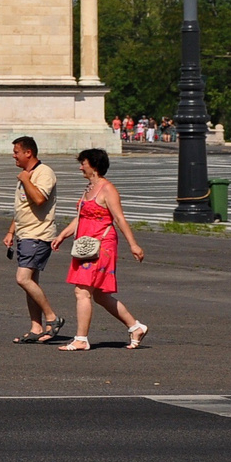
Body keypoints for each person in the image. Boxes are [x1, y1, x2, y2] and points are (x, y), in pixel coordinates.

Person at [52, 148, 149, 351]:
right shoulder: (89, 188)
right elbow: (81, 217)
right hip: (86, 245)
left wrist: (133, 244)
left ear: (94, 165)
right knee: (100, 295)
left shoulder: (107, 189)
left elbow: (119, 218)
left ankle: (81, 339)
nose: (80, 167)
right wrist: (62, 235)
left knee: (82, 291)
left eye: (83, 163)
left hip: (102, 245)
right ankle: (135, 326)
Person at [4, 136, 64, 344]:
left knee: (23, 279)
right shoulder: (26, 175)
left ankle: (52, 318)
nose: (14, 156)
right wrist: (11, 231)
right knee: (31, 283)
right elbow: (23, 207)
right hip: (25, 234)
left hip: (38, 234)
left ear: (28, 152)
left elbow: (39, 199)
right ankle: (36, 327)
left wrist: (26, 180)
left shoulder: (43, 173)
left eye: (16, 152)